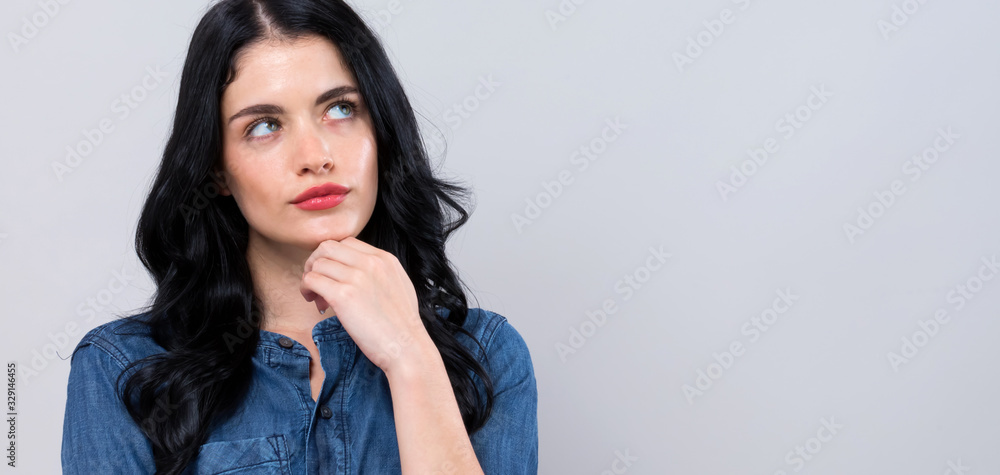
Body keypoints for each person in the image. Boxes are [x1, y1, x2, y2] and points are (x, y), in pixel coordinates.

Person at [59, 1, 538, 473]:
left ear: (381, 132)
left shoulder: (486, 356)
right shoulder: (122, 370)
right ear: (217, 169)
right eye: (265, 126)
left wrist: (410, 356)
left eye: (341, 108)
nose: (316, 156)